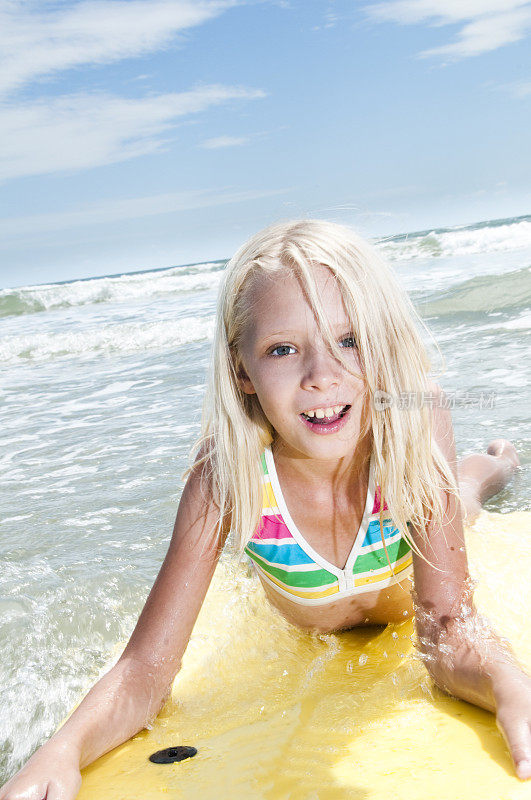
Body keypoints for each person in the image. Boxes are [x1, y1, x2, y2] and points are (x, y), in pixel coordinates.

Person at [1, 220, 528, 800]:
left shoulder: (413, 423)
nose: (322, 376)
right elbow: (145, 671)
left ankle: (490, 467)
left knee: (465, 502)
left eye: (349, 341)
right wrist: (62, 749)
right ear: (241, 371)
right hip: (308, 585)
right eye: (283, 349)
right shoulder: (226, 476)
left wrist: (510, 685)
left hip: (403, 557)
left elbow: (446, 625)